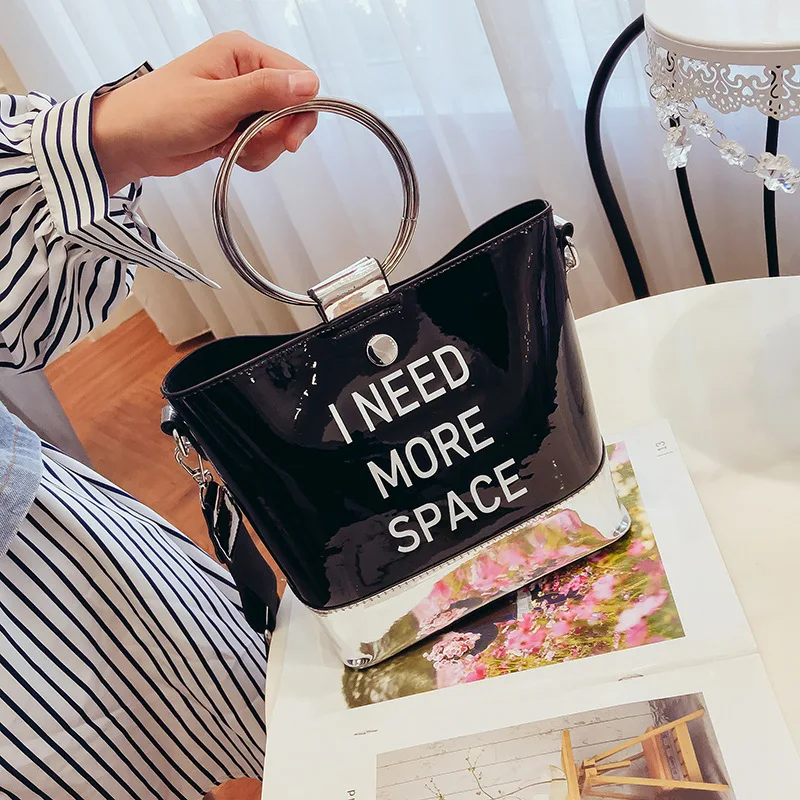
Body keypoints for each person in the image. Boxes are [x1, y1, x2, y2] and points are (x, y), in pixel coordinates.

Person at [0, 32, 319, 800]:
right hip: (45, 637)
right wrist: (96, 143)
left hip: (66, 551)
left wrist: (105, 140)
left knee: (258, 719)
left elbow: (23, 318)